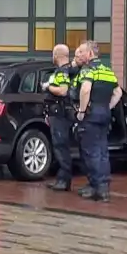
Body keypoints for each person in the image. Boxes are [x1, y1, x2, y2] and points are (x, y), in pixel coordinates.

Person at [73, 40, 121, 202]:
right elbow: (118, 93)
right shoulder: (108, 71)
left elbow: (85, 90)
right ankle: (103, 186)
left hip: (91, 115)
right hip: (104, 114)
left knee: (91, 151)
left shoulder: (88, 69)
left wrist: (82, 111)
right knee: (102, 151)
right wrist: (108, 107)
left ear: (90, 54)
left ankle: (97, 187)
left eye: (82, 52)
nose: (80, 55)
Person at [45, 44, 81, 191]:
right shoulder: (70, 70)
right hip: (61, 114)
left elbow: (63, 91)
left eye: (53, 54)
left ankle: (63, 181)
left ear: (57, 56)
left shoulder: (62, 71)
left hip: (60, 115)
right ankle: (62, 179)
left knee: (61, 147)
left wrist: (48, 86)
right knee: (61, 147)